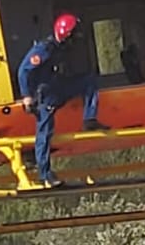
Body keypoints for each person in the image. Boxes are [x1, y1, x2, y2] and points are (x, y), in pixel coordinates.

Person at [17, 11, 110, 188]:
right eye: (73, 34)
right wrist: (27, 97)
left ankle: (89, 119)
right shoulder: (44, 49)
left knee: (89, 81)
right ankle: (45, 175)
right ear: (66, 35)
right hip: (46, 95)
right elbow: (23, 70)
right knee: (44, 133)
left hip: (58, 87)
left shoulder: (60, 48)